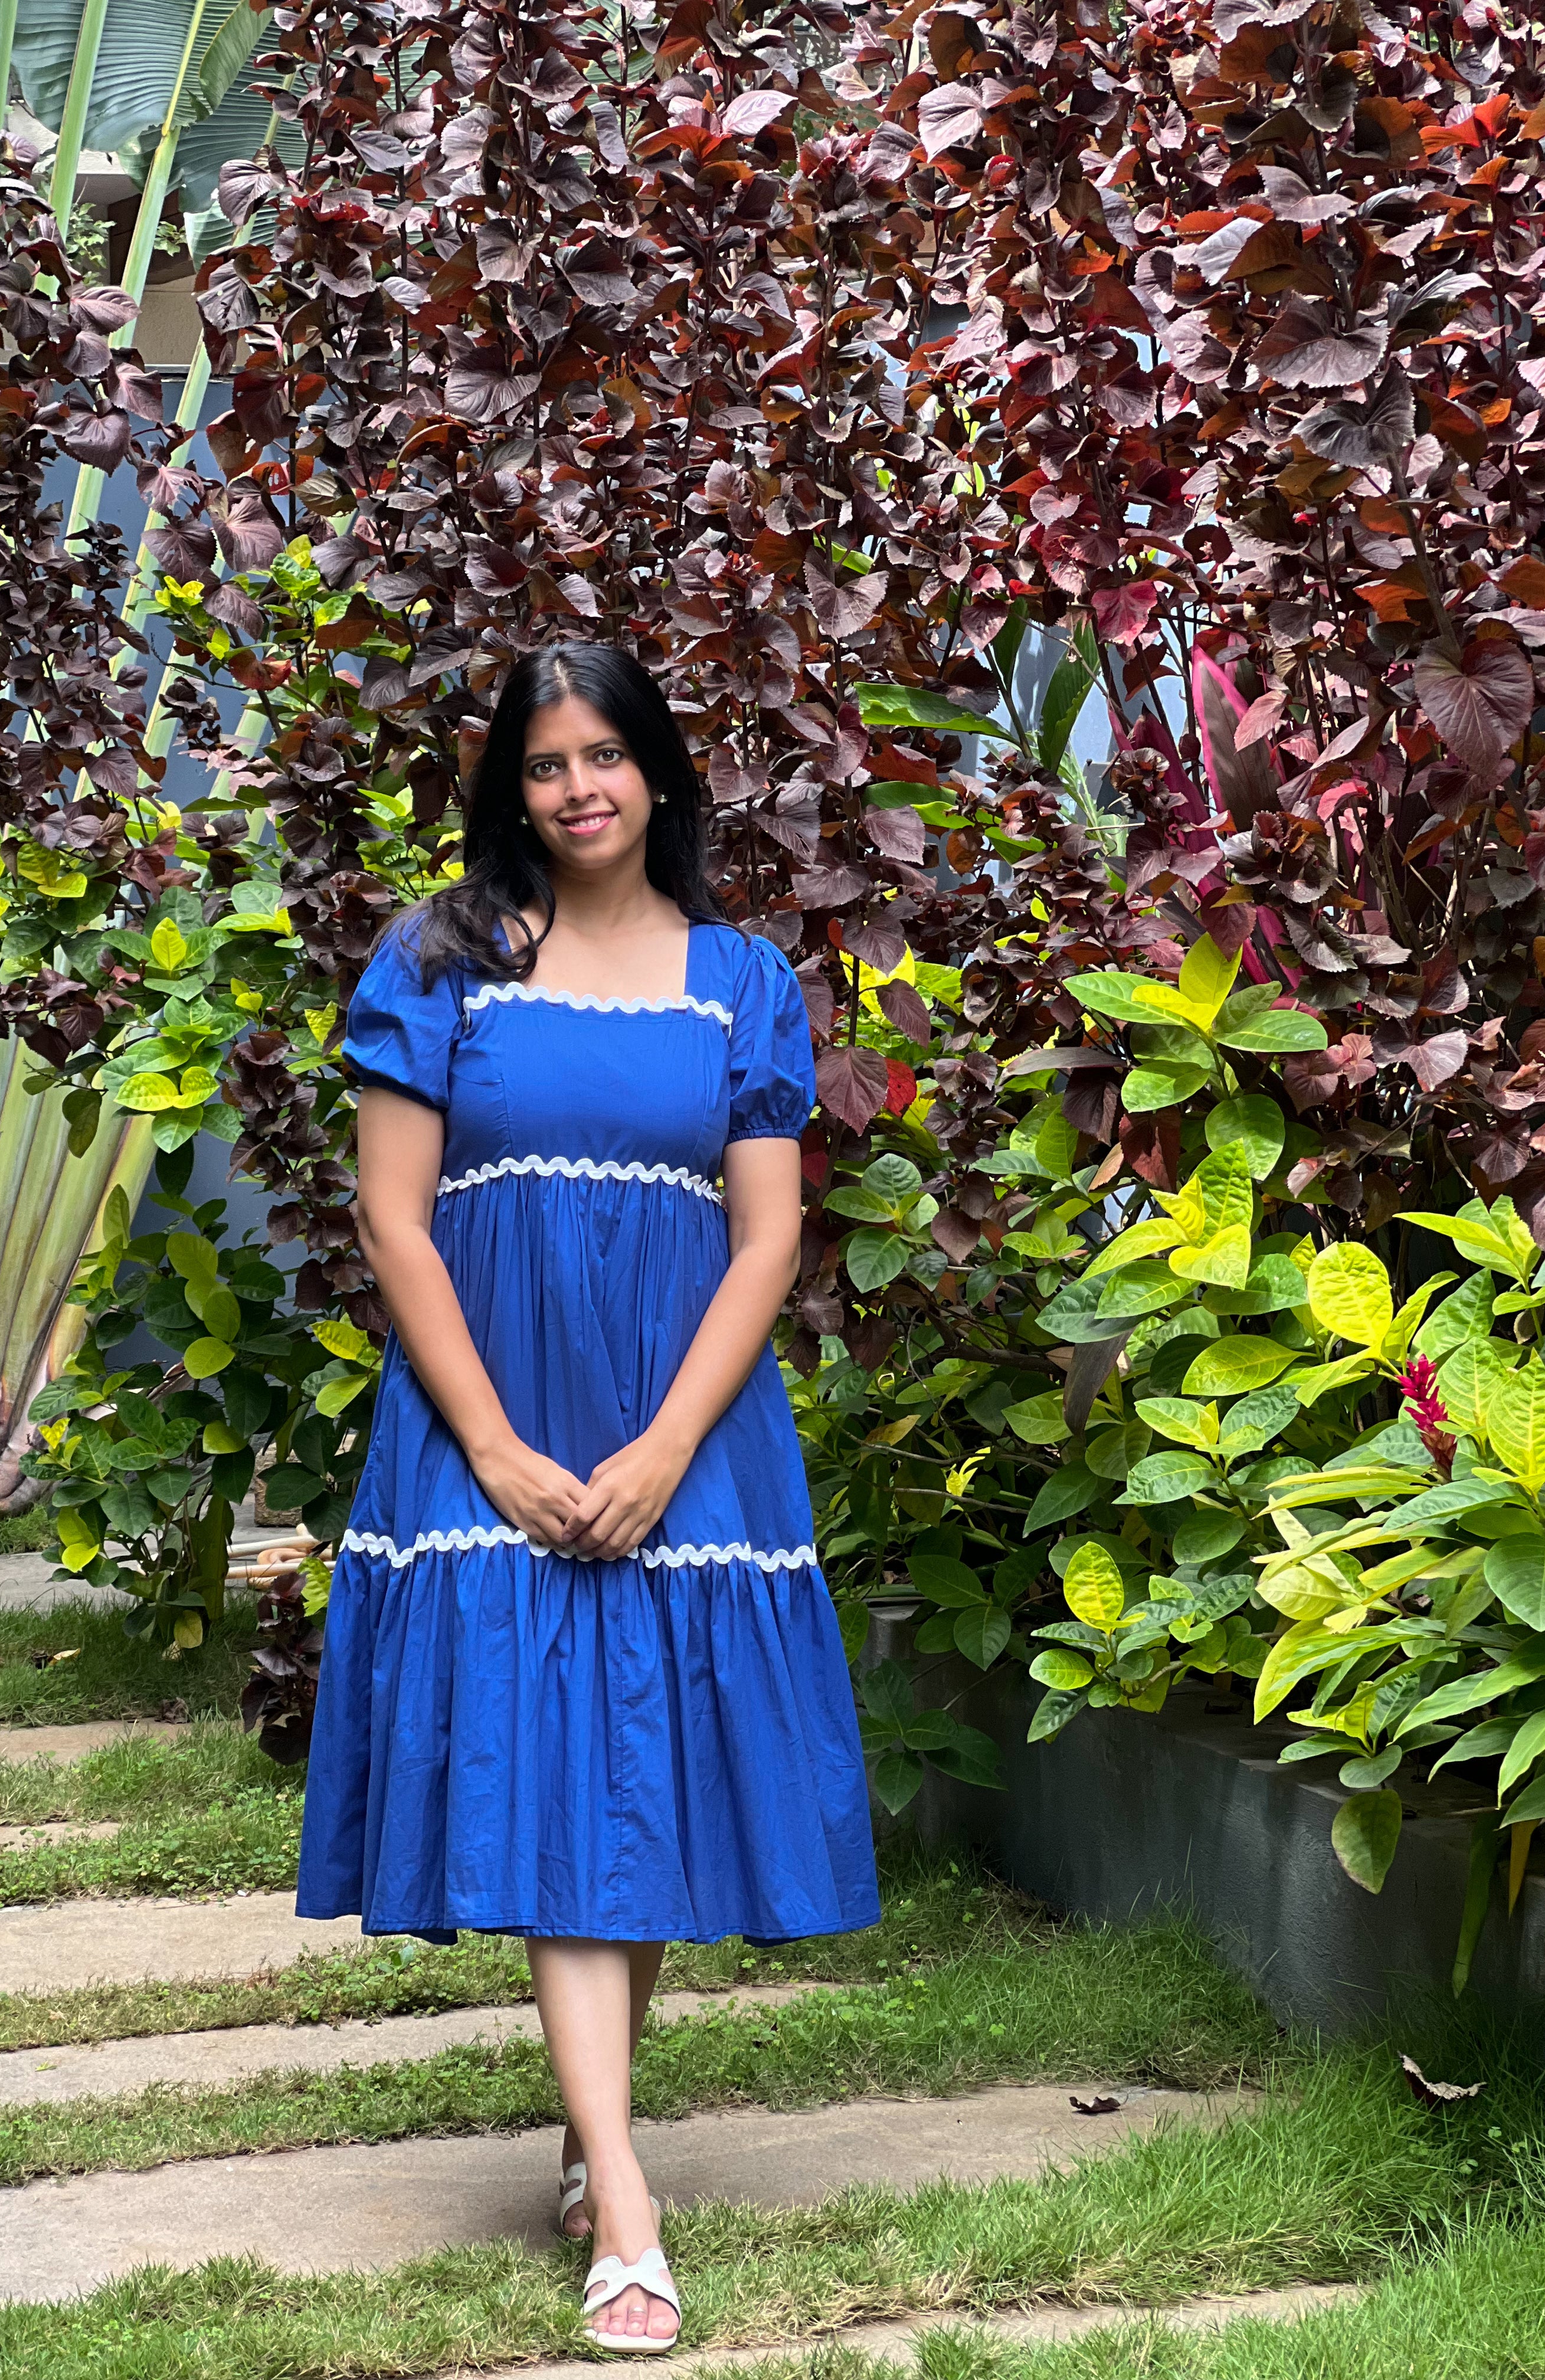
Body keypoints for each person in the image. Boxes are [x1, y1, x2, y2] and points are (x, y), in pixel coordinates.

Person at [296, 643, 880, 2353]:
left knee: (641, 1755)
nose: (580, 790)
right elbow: (397, 1222)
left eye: (608, 755)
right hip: (498, 1415)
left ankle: (588, 2124)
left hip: (684, 1426)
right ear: (513, 788)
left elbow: (769, 1233)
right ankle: (624, 2204)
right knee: (559, 1772)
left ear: (660, 773)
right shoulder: (442, 959)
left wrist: (663, 1452)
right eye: (548, 764)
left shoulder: (742, 978)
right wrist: (488, 1444)